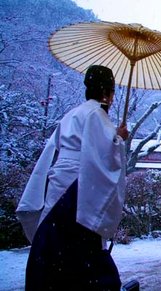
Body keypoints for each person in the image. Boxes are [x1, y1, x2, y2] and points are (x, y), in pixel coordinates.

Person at [16, 65, 129, 290]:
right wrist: (119, 139)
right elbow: (103, 155)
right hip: (79, 186)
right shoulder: (97, 113)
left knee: (56, 243)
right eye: (112, 92)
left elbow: (55, 149)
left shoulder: (73, 113)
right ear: (108, 91)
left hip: (59, 183)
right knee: (80, 245)